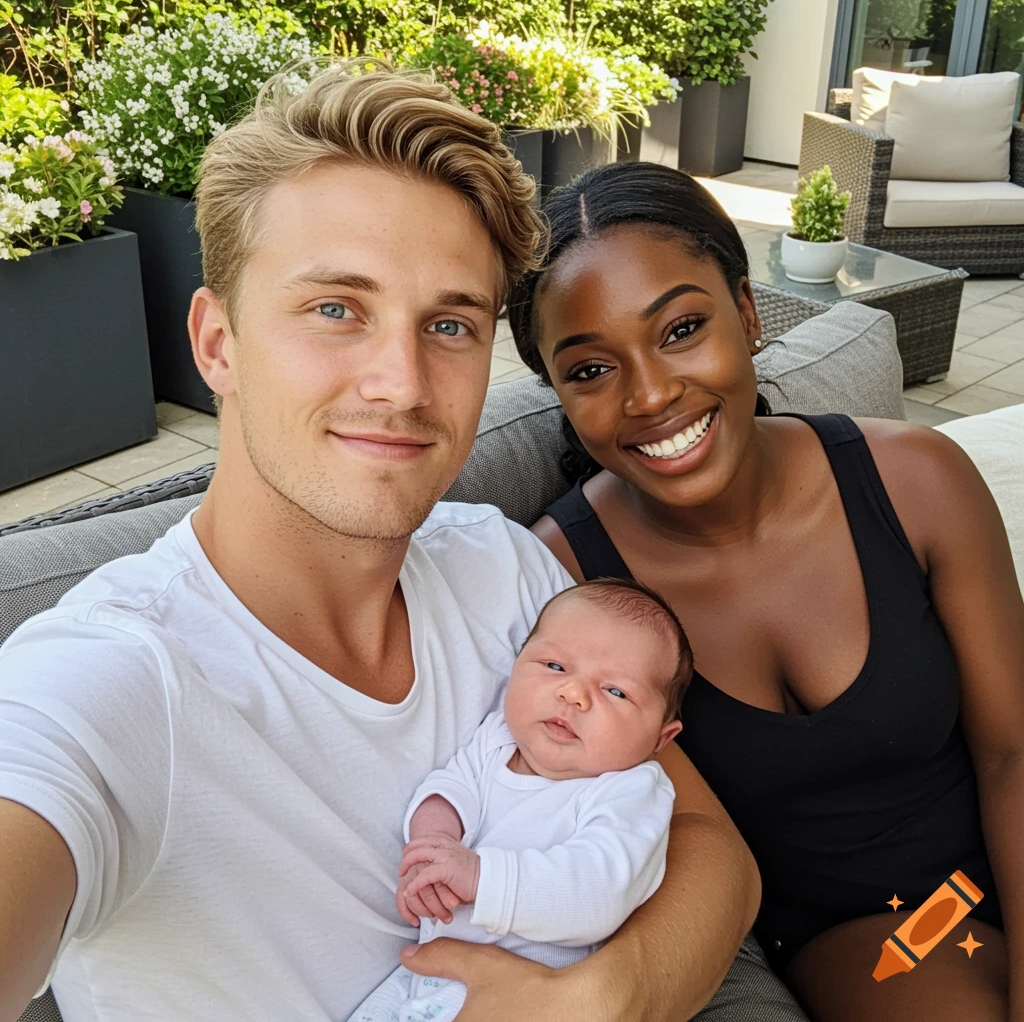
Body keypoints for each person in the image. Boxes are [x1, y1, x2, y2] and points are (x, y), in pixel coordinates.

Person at [0, 63, 809, 1022]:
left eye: (449, 323)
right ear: (216, 343)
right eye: (336, 308)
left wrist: (596, 1003)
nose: (402, 381)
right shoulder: (110, 684)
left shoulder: (506, 572)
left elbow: (715, 849)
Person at [510, 160, 1024, 1022]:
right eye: (591, 371)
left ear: (748, 314)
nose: (650, 395)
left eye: (680, 330)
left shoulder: (917, 480)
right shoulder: (561, 583)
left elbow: (1014, 754)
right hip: (889, 934)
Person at [350, 578, 690, 1022]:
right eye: (554, 665)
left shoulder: (631, 791)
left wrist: (480, 877)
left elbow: (599, 892)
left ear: (660, 739)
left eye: (616, 692)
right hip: (425, 975)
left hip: (533, 992)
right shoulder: (497, 739)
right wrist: (431, 845)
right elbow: (451, 790)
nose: (573, 694)